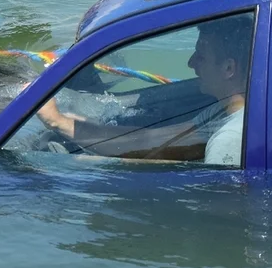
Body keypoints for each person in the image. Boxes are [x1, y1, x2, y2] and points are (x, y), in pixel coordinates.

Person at [35, 14, 252, 165]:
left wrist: (106, 168)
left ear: (228, 68)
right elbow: (156, 140)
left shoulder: (230, 139)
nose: (191, 63)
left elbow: (214, 206)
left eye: (201, 56)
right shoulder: (226, 110)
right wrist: (70, 124)